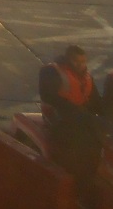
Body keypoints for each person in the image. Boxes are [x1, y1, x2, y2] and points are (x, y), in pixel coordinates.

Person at [39, 45, 106, 192]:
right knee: (81, 143)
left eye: (83, 62)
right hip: (59, 119)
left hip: (80, 119)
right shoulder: (52, 72)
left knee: (98, 135)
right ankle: (78, 185)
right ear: (68, 60)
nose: (81, 65)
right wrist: (77, 112)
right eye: (77, 61)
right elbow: (50, 97)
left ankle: (92, 177)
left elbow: (96, 102)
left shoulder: (86, 78)